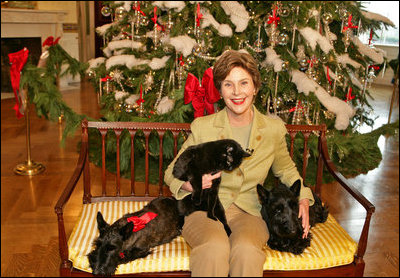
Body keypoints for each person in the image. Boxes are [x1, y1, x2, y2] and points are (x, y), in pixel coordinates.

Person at [164, 50, 315, 277]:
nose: (236, 92)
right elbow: (171, 173)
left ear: (255, 87)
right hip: (206, 210)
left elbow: (286, 169)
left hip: (250, 212)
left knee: (246, 250)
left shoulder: (272, 130)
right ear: (220, 90)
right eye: (228, 84)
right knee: (215, 248)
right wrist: (191, 184)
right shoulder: (204, 127)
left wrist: (303, 197)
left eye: (243, 83)